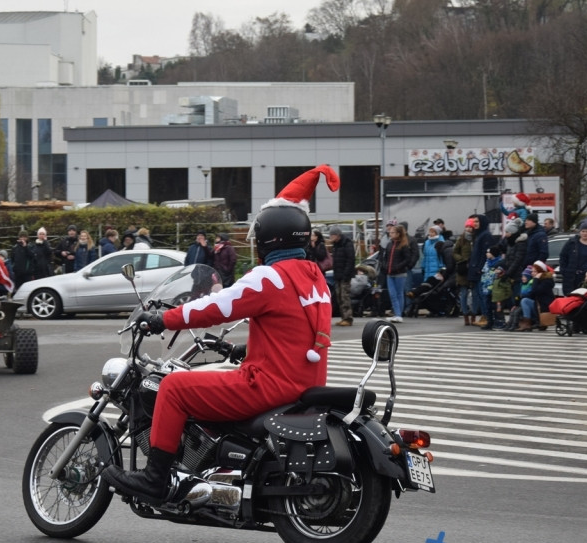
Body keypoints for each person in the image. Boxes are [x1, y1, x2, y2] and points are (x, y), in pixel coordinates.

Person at [101, 165, 338, 502]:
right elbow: (291, 331)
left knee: (173, 388)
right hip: (305, 384)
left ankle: (154, 480)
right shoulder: (314, 277)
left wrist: (164, 319)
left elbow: (216, 307)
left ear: (269, 239)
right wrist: (246, 350)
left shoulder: (270, 277)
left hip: (268, 386)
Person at [560, 220, 587, 295]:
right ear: (579, 232)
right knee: (571, 297)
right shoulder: (572, 243)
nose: (585, 233)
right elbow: (563, 256)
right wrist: (564, 271)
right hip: (572, 277)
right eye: (583, 231)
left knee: (586, 298)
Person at [382, 224, 413, 323]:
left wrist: (398, 267)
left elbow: (407, 259)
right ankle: (397, 314)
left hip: (400, 273)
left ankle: (399, 315)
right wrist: (385, 266)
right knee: (392, 294)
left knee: (399, 294)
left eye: (392, 232)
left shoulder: (404, 245)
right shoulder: (389, 244)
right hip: (389, 273)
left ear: (398, 234)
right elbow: (385, 258)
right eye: (390, 232)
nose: (390, 234)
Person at [467, 213, 493, 325]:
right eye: (474, 222)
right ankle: (484, 315)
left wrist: (479, 267)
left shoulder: (485, 235)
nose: (475, 224)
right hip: (476, 269)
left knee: (483, 294)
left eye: (477, 222)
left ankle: (487, 316)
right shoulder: (478, 235)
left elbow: (484, 253)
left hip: (481, 270)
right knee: (478, 293)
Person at [329, 225, 356, 325]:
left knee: (345, 296)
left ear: (337, 235)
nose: (330, 237)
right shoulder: (336, 245)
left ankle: (348, 318)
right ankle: (343, 316)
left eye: (332, 235)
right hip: (338, 275)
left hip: (345, 275)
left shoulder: (347, 243)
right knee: (339, 297)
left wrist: (346, 274)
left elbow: (350, 260)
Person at [518, 261, 555, 330]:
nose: (532, 273)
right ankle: (527, 321)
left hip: (545, 306)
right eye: (532, 271)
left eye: (534, 272)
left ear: (540, 272)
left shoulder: (546, 281)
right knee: (524, 301)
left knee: (525, 301)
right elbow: (532, 294)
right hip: (538, 304)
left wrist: (535, 279)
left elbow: (535, 291)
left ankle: (527, 323)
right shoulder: (538, 280)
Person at [453, 218, 475, 325]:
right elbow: (455, 252)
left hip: (473, 268)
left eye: (471, 227)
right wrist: (461, 260)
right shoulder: (461, 239)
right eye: (467, 227)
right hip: (463, 269)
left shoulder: (476, 238)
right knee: (464, 293)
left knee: (475, 294)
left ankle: (474, 315)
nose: (469, 229)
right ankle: (465, 315)